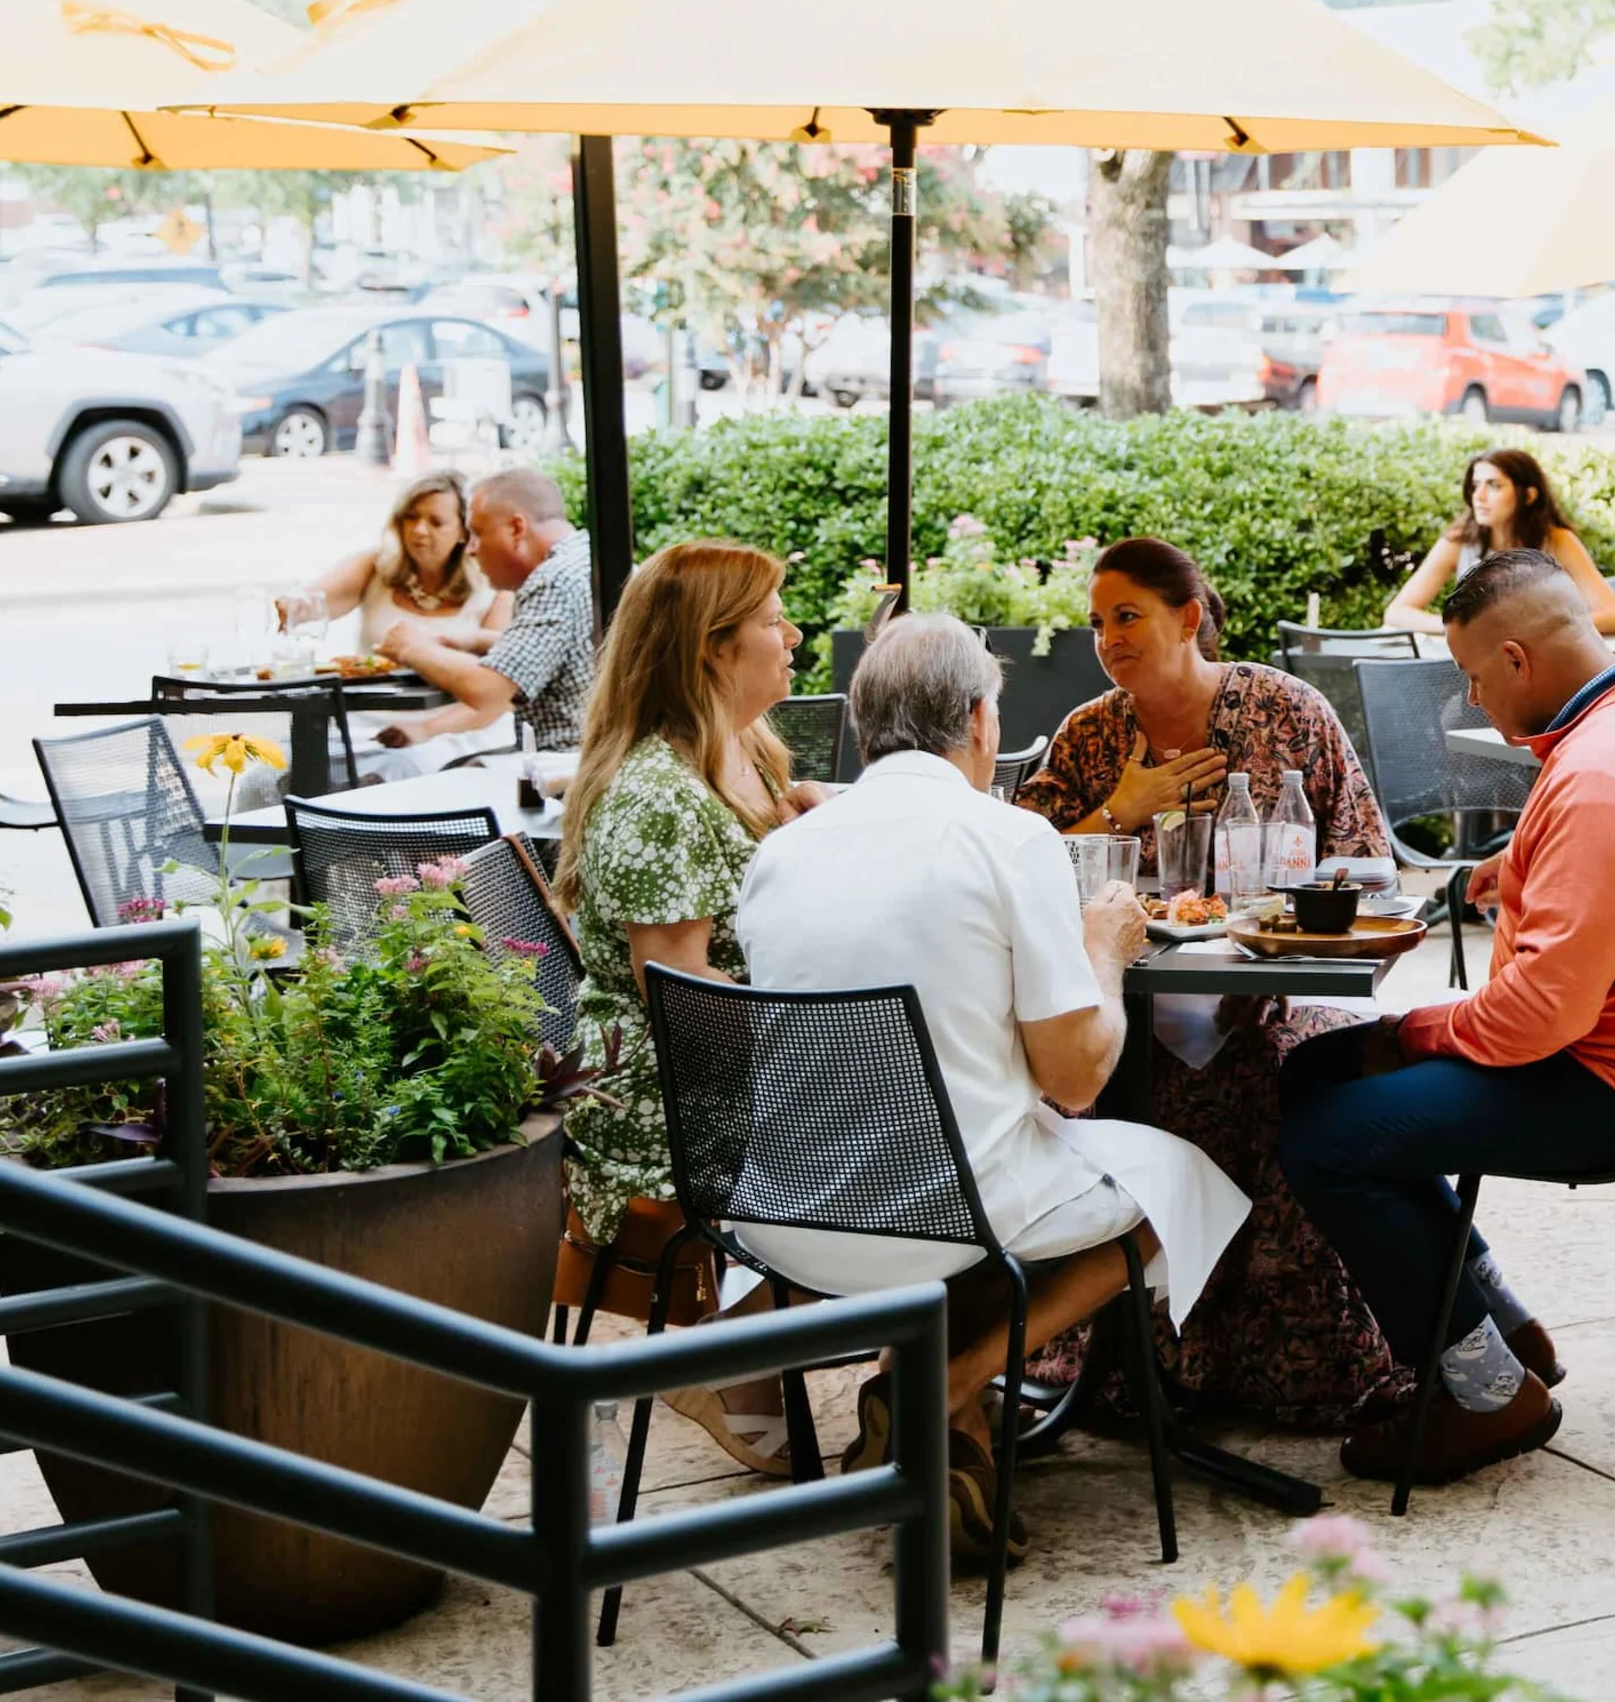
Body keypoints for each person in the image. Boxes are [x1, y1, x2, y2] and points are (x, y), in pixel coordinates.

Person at [734, 615, 1245, 1565]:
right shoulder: (1010, 840)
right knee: (1177, 1180)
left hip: (781, 1213)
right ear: (979, 722)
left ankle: (952, 1427)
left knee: (982, 1143)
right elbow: (1079, 1078)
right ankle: (946, 1387)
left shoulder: (780, 852)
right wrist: (1103, 952)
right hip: (948, 1212)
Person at [1278, 551, 1615, 1485]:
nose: (1471, 702)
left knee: (1328, 1134)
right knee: (1313, 1074)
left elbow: (1539, 1018)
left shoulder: (1597, 780)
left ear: (1515, 659)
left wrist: (1404, 1032)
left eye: (1470, 678)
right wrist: (1548, 872)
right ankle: (1498, 1328)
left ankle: (1486, 1397)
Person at [1015, 538, 1405, 1426]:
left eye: (1128, 617)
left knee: (1280, 1079)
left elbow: (1367, 863)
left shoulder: (1287, 711)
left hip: (1269, 988)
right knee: (1102, 1086)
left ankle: (1278, 1368)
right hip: (1125, 997)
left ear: (1188, 618)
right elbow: (1020, 865)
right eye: (1097, 623)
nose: (1109, 639)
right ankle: (1120, 1363)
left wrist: (1295, 905)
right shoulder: (1090, 733)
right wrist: (1124, 807)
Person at [544, 540, 827, 1473]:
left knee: (946, 1110)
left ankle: (757, 1359)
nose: (793, 635)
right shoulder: (659, 796)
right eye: (774, 619)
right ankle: (723, 1358)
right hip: (667, 1104)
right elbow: (687, 1010)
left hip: (732, 1070)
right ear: (712, 646)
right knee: (931, 1140)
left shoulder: (740, 753)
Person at [377, 468, 595, 753]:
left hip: (569, 769)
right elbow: (573, 653)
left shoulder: (554, 580)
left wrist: (411, 648)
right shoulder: (585, 557)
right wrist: (480, 641)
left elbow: (488, 691)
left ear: (516, 529)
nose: (471, 549)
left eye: (477, 534)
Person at [1381, 448, 1615, 635]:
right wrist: (1463, 630)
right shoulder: (1458, 541)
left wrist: (1536, 629)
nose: (1478, 496)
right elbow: (1397, 613)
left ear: (1529, 495)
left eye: (1494, 486)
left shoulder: (1557, 541)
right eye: (1475, 485)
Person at [277, 469, 513, 657]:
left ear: (464, 530)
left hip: (456, 714)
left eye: (436, 522)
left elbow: (495, 683)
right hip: (369, 713)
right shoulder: (375, 566)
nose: (419, 530)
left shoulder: (494, 588)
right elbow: (307, 607)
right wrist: (291, 607)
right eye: (411, 517)